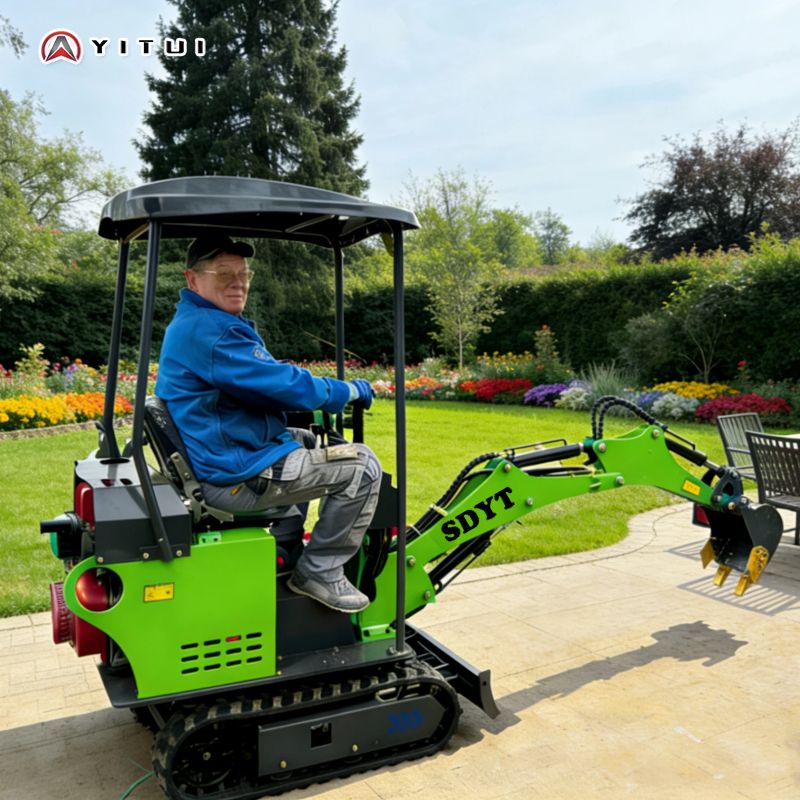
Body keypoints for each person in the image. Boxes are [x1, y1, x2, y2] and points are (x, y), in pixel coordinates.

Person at [155, 234, 380, 613]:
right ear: (192, 279)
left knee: (304, 439)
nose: (237, 282)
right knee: (362, 467)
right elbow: (282, 383)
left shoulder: (197, 322)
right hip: (235, 475)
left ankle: (286, 546)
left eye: (243, 273)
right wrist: (347, 391)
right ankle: (320, 572)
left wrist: (300, 392)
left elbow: (259, 383)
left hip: (224, 455)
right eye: (224, 273)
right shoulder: (213, 330)